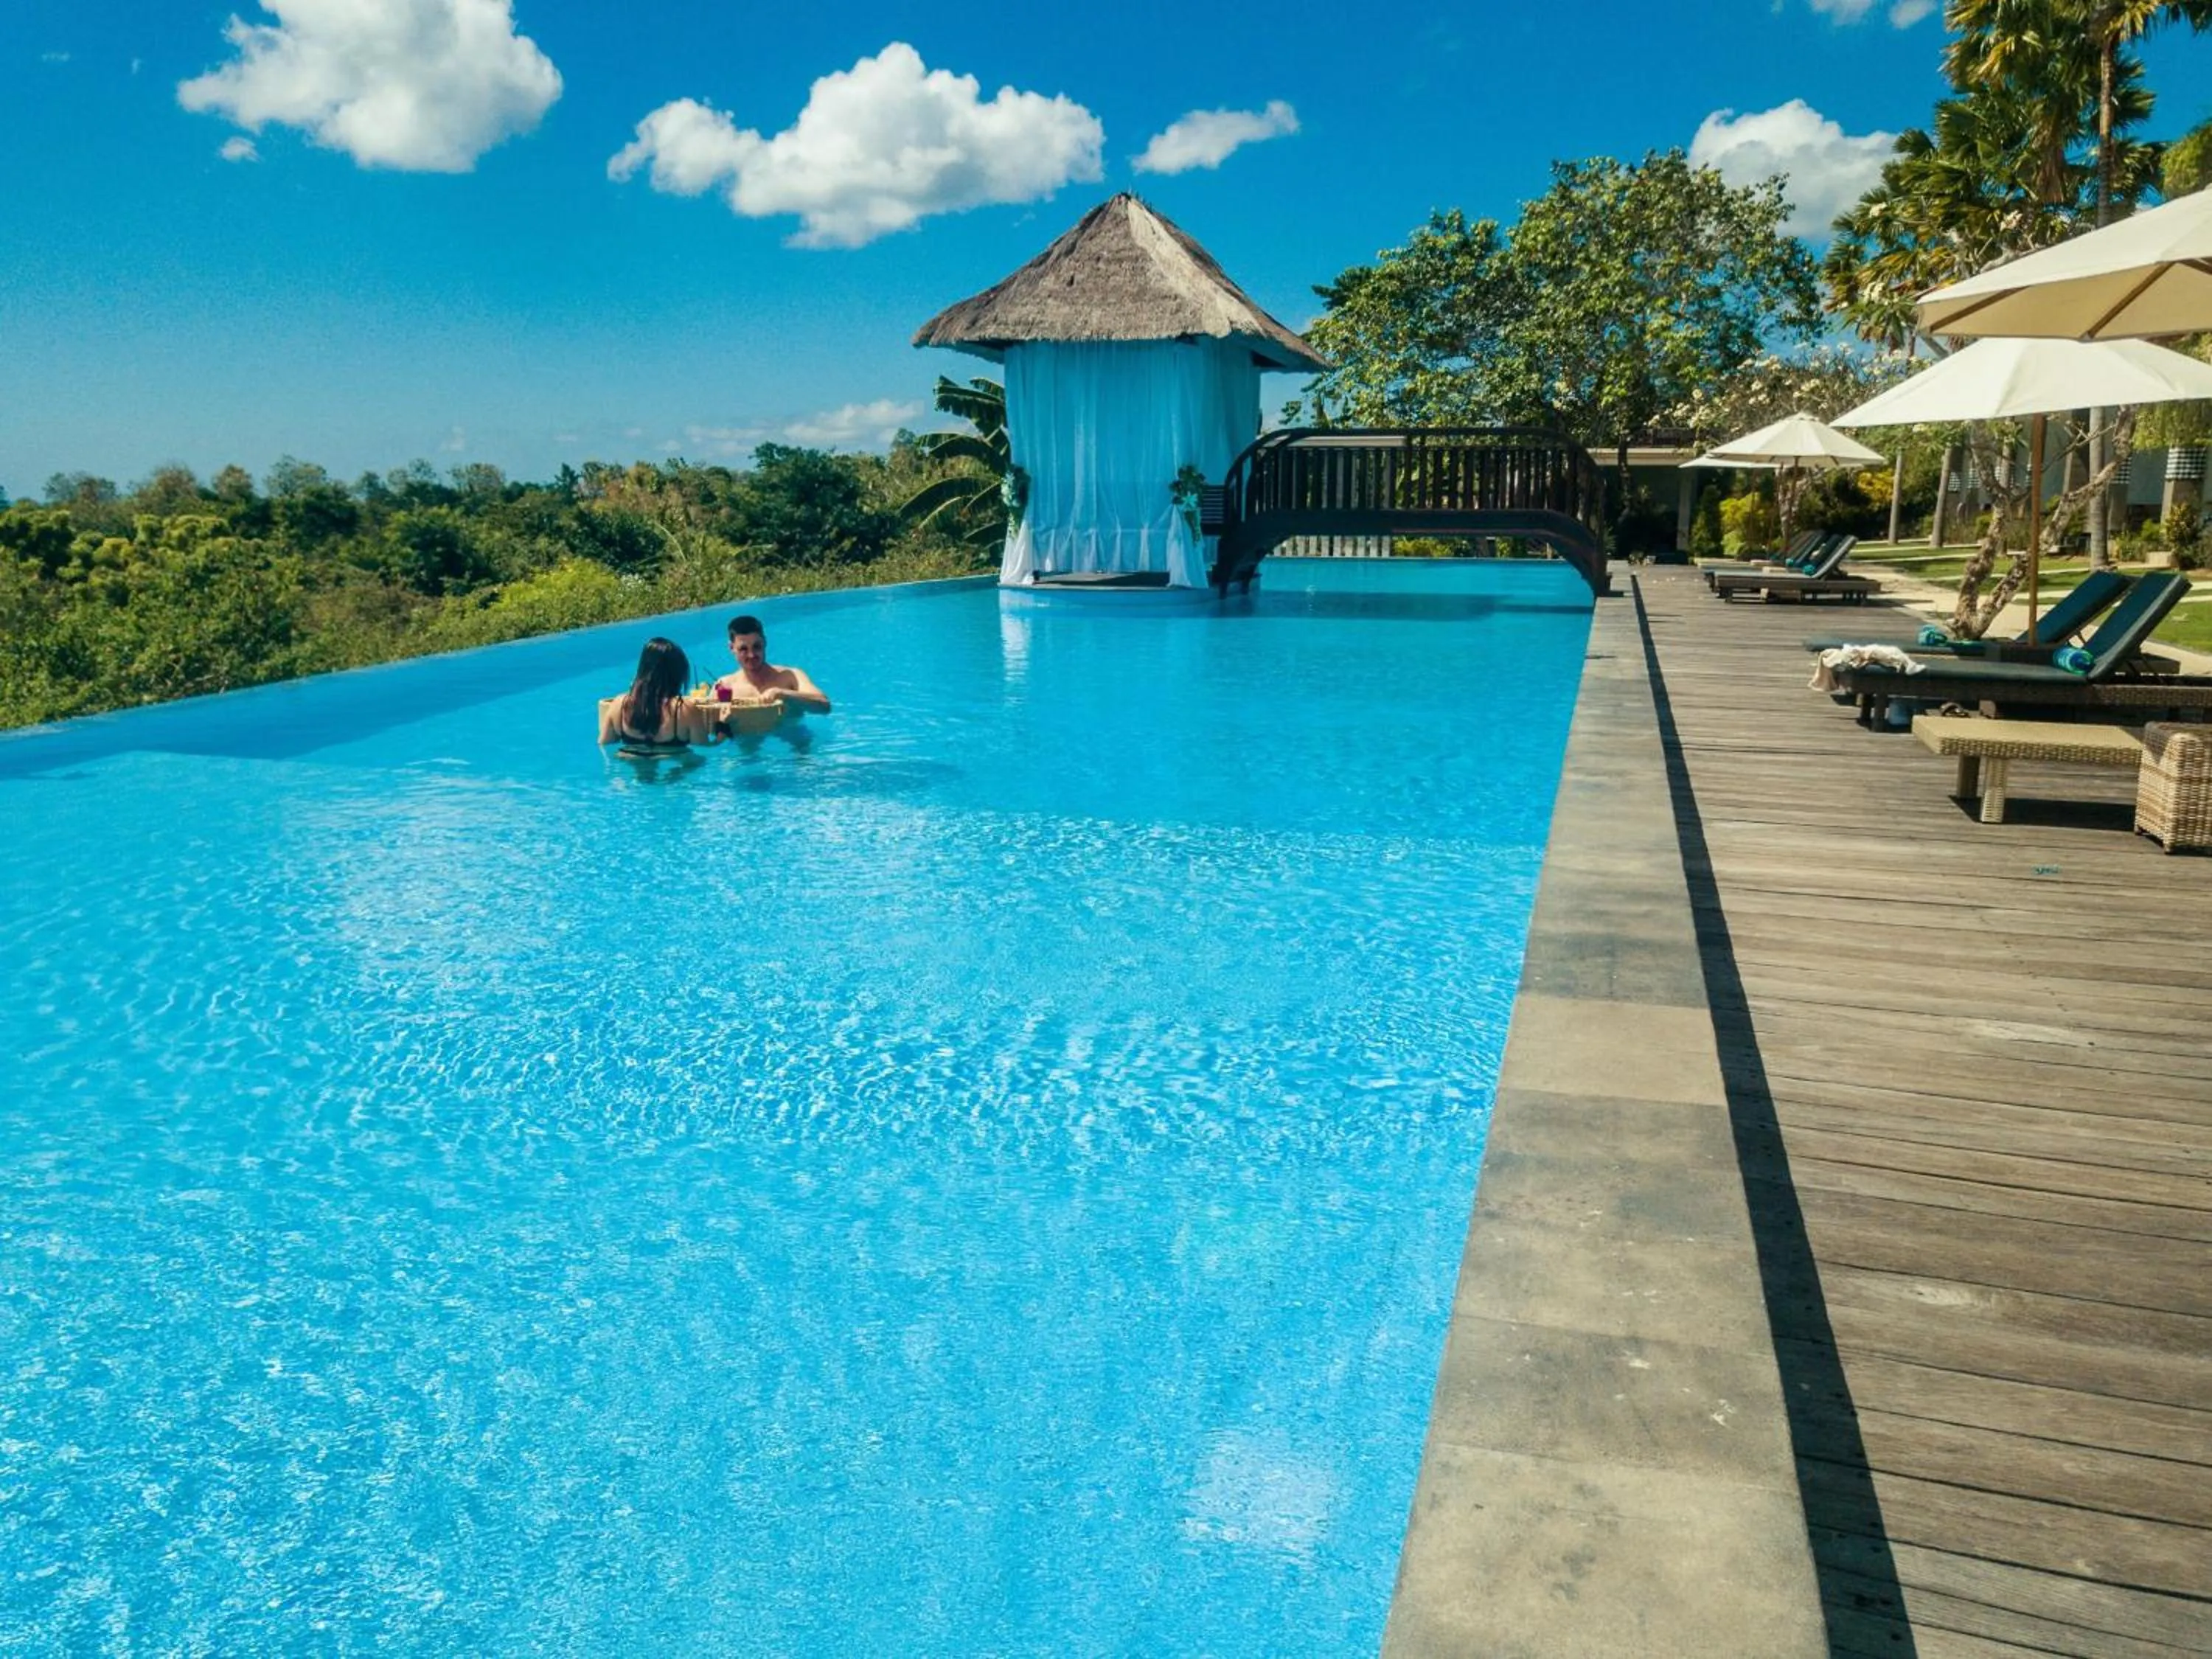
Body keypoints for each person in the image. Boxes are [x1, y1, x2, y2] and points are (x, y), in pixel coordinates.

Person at [598, 637, 721, 754]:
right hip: (676, 769)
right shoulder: (685, 710)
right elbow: (704, 750)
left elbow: (603, 746)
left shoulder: (619, 705)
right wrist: (722, 734)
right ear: (678, 673)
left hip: (630, 769)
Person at [714, 614, 831, 717]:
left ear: (765, 643)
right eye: (743, 649)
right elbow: (708, 728)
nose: (751, 655)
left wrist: (784, 694)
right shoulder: (725, 686)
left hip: (794, 736)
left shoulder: (790, 677)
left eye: (757, 646)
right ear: (731, 648)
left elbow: (825, 707)